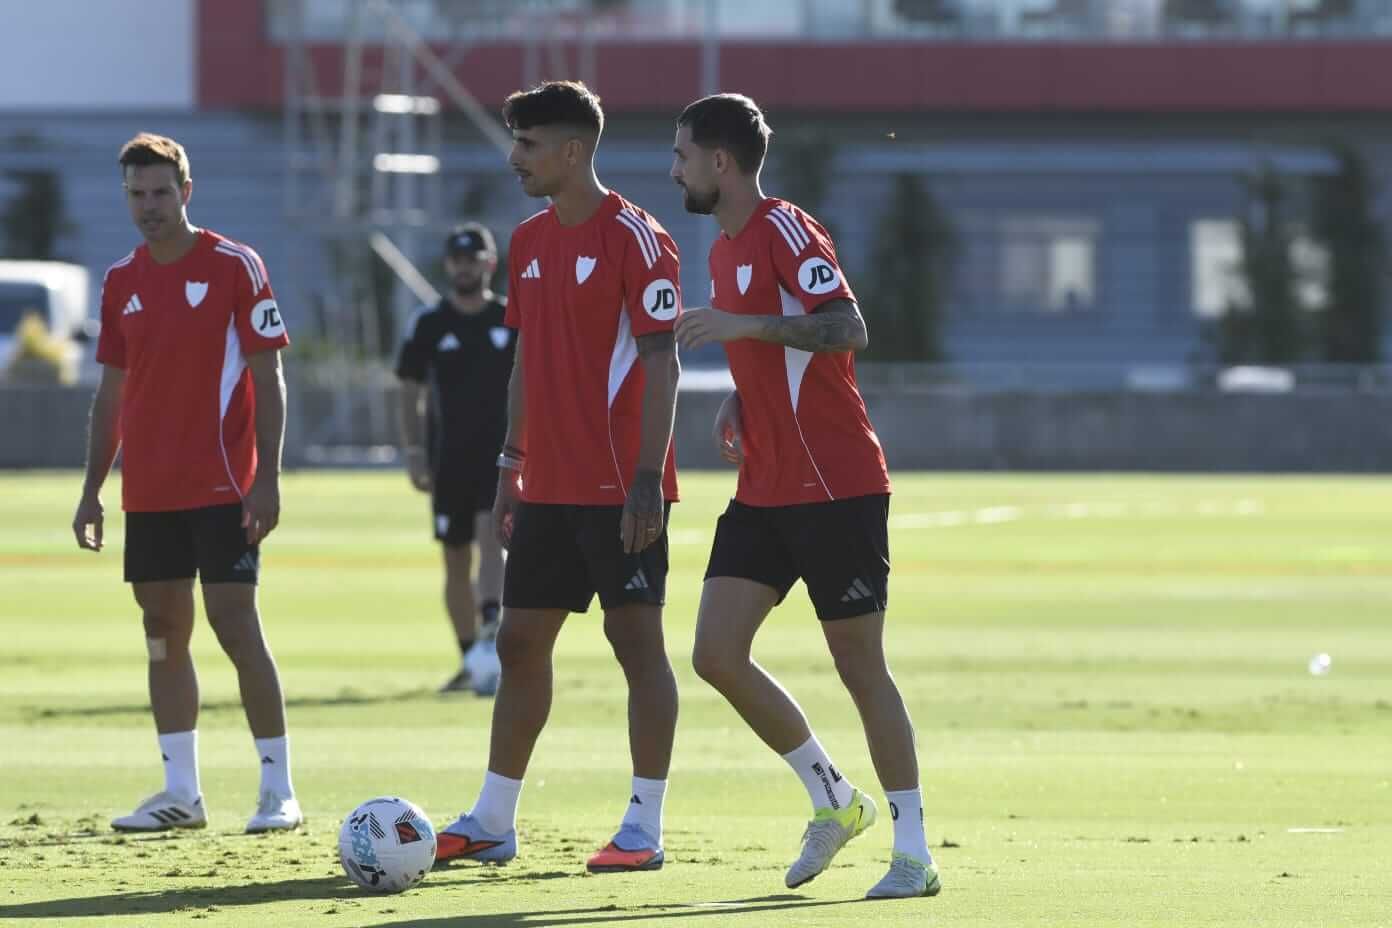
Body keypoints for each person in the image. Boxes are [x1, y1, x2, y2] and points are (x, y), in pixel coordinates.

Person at [670, 94, 940, 899]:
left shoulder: (787, 228)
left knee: (860, 666)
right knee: (715, 653)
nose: (674, 170)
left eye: (682, 155)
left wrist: (742, 329)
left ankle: (915, 852)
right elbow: (769, 341)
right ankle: (833, 798)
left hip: (836, 485)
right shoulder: (722, 249)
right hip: (766, 490)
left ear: (722, 162)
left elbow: (845, 327)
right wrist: (741, 395)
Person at [433, 81, 683, 874]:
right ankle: (494, 819)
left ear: (572, 151)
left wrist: (649, 477)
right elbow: (525, 365)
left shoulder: (640, 240)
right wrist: (512, 464)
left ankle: (644, 827)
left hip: (621, 487)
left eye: (528, 144)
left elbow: (663, 361)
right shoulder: (529, 241)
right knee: (519, 639)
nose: (515, 159)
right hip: (547, 484)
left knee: (634, 643)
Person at [71, 133, 302, 834]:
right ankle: (181, 792)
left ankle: (278, 791)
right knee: (162, 631)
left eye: (161, 193)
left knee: (237, 626)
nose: (149, 207)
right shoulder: (120, 281)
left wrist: (269, 478)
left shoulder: (235, 265)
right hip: (150, 492)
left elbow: (270, 375)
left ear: (186, 192)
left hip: (225, 486)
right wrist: (91, 489)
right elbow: (111, 394)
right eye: (136, 195)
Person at [396, 223, 512, 695]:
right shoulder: (429, 323)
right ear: (449, 265)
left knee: (491, 538)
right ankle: (471, 655)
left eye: (475, 258)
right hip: (449, 460)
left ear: (490, 262)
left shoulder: (510, 319)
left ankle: (491, 628)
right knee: (453, 557)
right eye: (458, 260)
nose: (466, 267)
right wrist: (414, 452)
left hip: (501, 457)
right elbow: (408, 391)